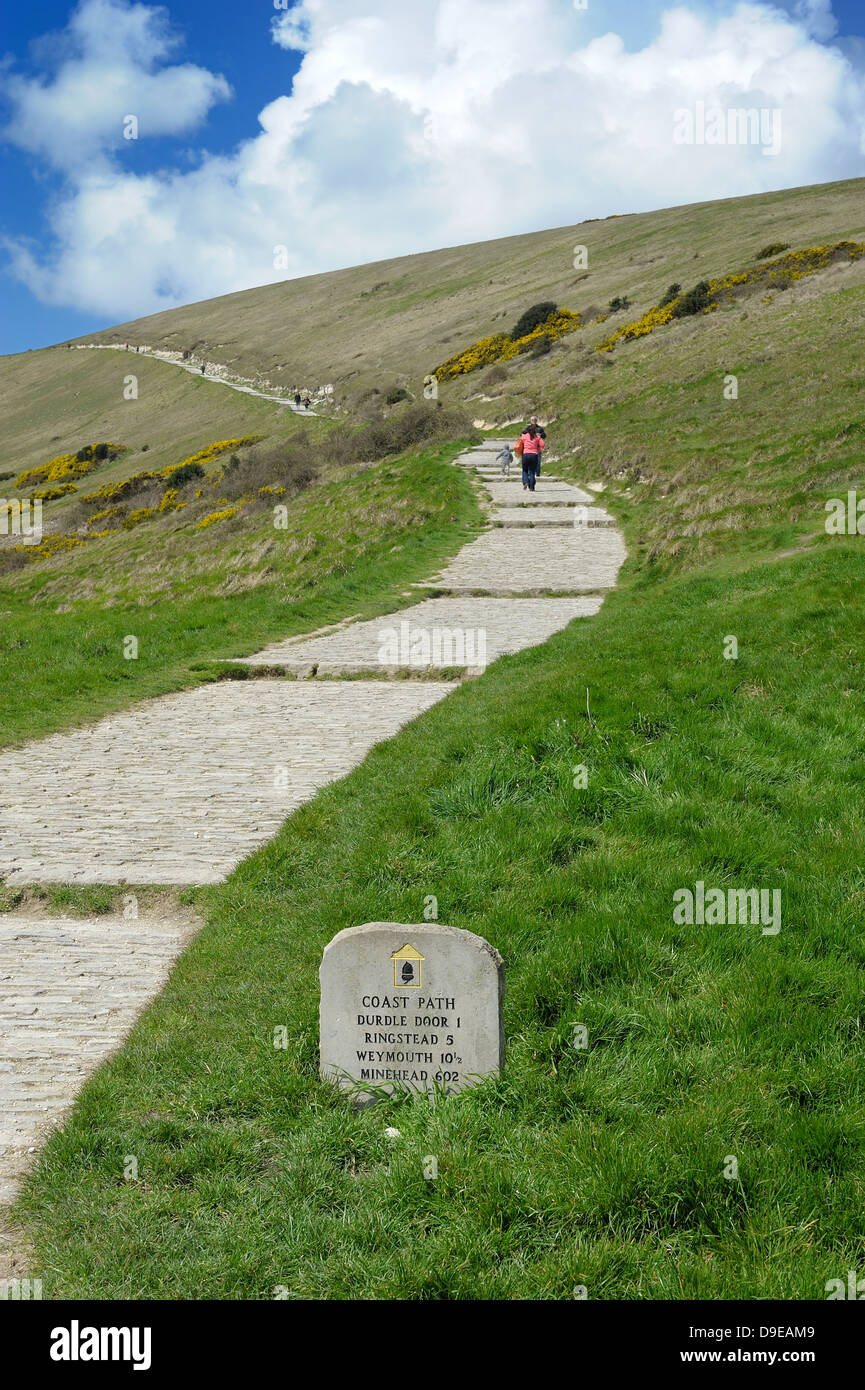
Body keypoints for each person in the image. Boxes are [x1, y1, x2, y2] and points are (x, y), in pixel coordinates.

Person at [517, 424, 545, 491]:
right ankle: (532, 487)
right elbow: (543, 445)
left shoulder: (524, 436)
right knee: (532, 472)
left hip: (525, 454)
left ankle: (525, 482)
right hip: (534, 455)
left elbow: (519, 443)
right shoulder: (537, 437)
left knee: (525, 470)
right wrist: (538, 450)